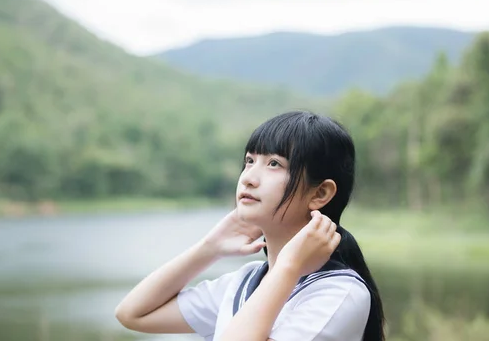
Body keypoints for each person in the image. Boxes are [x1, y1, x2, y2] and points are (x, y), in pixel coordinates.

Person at [115, 111, 385, 341]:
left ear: (320, 194)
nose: (249, 178)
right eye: (249, 161)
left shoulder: (339, 293)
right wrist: (208, 249)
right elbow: (133, 313)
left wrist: (288, 266)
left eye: (274, 164)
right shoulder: (245, 281)